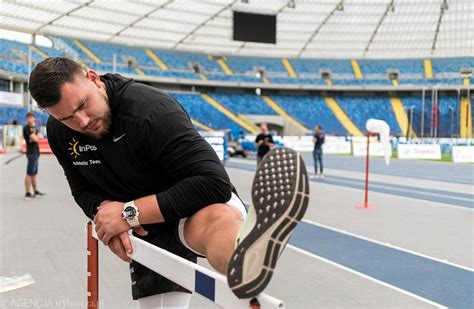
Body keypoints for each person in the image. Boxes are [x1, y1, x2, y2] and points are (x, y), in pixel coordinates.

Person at [28, 57, 309, 307]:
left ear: (93, 79)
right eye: (67, 118)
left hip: (193, 202)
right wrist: (104, 216)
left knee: (215, 221)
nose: (82, 120)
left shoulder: (151, 110)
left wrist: (127, 214)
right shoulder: (60, 132)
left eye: (83, 105)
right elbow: (81, 189)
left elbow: (214, 183)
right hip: (146, 230)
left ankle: (249, 254)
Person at [23, 112, 45, 200]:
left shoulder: (34, 128)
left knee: (34, 173)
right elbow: (36, 138)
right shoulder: (26, 128)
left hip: (36, 152)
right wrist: (36, 137)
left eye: (31, 117)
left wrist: (36, 137)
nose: (29, 119)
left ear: (34, 118)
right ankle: (27, 193)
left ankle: (35, 191)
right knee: (29, 173)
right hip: (31, 153)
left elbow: (41, 136)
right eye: (28, 118)